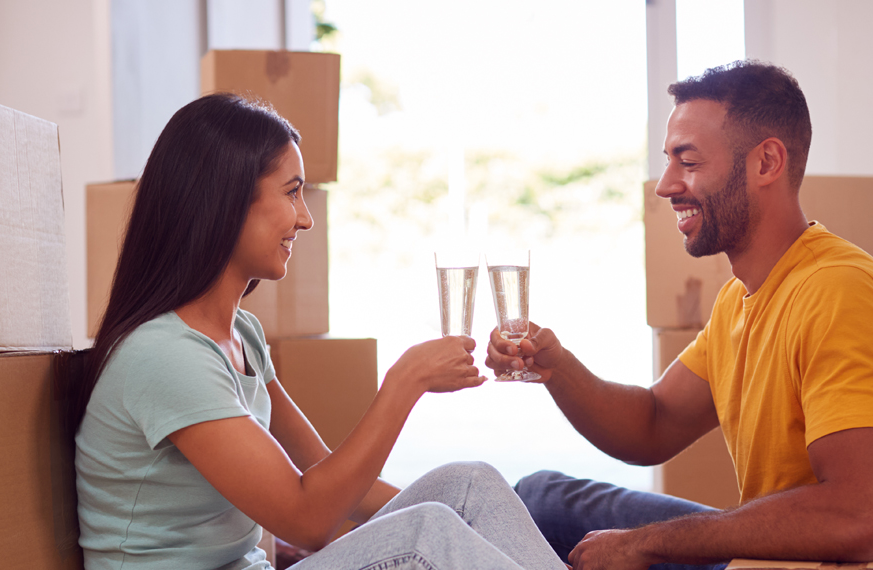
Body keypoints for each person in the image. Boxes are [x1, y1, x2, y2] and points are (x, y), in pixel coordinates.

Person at [74, 93, 566, 570]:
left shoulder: (240, 333)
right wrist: (405, 381)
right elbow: (307, 519)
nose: (306, 219)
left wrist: (458, 519)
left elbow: (321, 474)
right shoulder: (165, 355)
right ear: (225, 200)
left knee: (469, 485)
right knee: (427, 535)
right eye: (292, 192)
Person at [486, 61, 873, 570]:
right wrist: (556, 366)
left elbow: (853, 518)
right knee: (539, 496)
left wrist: (646, 542)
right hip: (773, 558)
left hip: (821, 562)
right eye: (669, 161)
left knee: (566, 517)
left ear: (766, 163)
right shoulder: (739, 299)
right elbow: (653, 423)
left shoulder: (838, 291)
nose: (665, 185)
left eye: (689, 161)